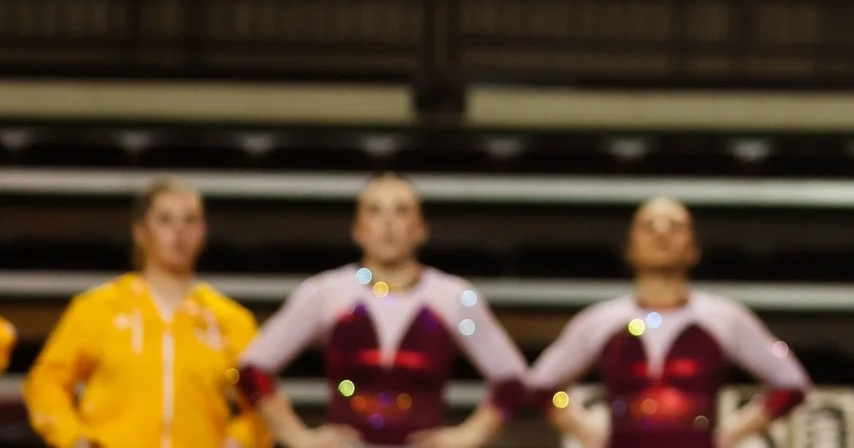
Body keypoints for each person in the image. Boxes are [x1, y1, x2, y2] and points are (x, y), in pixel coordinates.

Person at [238, 175, 527, 448]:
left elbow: (511, 381)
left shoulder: (453, 297)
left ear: (420, 228)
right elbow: (252, 370)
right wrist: (298, 437)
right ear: (358, 230)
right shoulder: (325, 293)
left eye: (401, 211)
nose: (388, 223)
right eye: (375, 211)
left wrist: (469, 435)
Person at [524, 199, 810, 448]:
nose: (661, 233)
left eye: (674, 226)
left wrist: (734, 433)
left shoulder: (725, 317)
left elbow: (791, 384)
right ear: (629, 248)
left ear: (694, 249)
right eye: (649, 226)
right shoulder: (600, 320)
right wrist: (586, 433)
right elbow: (542, 386)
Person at [25, 180, 265, 448]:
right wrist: (74, 438)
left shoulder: (229, 318)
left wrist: (239, 441)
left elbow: (263, 401)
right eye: (165, 220)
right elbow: (46, 384)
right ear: (141, 232)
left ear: (203, 232)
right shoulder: (97, 308)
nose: (179, 231)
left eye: (190, 220)